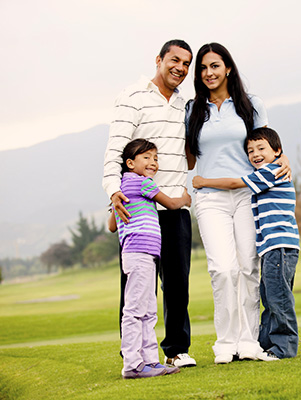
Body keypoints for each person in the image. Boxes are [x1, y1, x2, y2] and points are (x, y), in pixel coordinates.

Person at [185, 42, 291, 364]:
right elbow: (189, 159)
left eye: (215, 66)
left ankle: (248, 342)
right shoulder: (193, 109)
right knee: (223, 269)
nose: (209, 73)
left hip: (248, 195)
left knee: (247, 268)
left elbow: (267, 144)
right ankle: (225, 343)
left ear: (228, 68)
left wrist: (284, 158)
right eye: (203, 68)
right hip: (209, 198)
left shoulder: (250, 104)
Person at [102, 39, 197, 368]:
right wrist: (113, 191)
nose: (180, 68)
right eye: (175, 60)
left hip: (174, 206)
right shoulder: (133, 96)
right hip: (138, 209)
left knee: (177, 284)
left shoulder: (185, 105)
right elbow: (116, 150)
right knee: (135, 286)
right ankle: (133, 355)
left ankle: (176, 350)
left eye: (186, 63)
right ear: (159, 60)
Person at [192, 127, 300, 359]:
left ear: (277, 151)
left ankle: (284, 348)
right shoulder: (268, 171)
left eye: (261, 148)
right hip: (272, 248)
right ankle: (266, 343)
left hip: (279, 246)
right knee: (269, 296)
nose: (255, 154)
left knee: (278, 299)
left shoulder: (272, 171)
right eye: (250, 151)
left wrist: (203, 181)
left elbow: (234, 183)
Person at [108, 138, 192, 379]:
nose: (153, 162)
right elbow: (171, 204)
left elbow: (112, 226)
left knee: (147, 309)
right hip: (140, 254)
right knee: (136, 309)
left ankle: (150, 361)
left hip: (138, 254)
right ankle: (133, 364)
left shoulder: (121, 188)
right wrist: (185, 199)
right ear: (130, 163)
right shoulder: (142, 183)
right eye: (146, 157)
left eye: (155, 158)